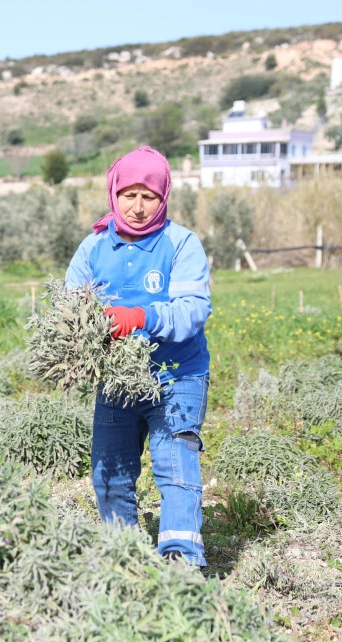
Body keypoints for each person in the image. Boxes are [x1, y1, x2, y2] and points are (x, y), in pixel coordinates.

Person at [65, 146, 212, 569]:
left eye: (148, 196)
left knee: (175, 467)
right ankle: (123, 559)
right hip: (117, 381)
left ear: (163, 197)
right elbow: (70, 310)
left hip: (177, 375)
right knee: (109, 474)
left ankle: (181, 564)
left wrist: (141, 316)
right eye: (128, 194)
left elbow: (192, 311)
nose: (138, 206)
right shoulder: (93, 247)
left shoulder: (181, 243)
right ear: (114, 193)